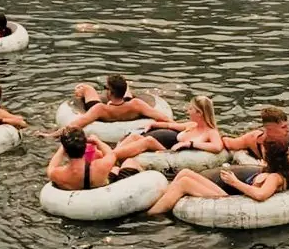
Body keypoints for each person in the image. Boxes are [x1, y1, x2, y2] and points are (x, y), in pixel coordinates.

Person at [146, 138, 289, 215]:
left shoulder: (275, 177)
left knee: (184, 183)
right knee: (185, 173)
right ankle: (160, 203)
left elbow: (261, 195)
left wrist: (234, 182)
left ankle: (151, 214)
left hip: (234, 204)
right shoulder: (273, 171)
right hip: (235, 198)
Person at [41, 74, 172, 139]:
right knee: (128, 91)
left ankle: (82, 90)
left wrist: (51, 135)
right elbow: (163, 118)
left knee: (86, 88)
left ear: (110, 92)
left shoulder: (100, 109)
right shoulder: (136, 105)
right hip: (125, 107)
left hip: (106, 112)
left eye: (106, 88)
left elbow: (74, 125)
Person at [111, 95, 225, 159]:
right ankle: (111, 154)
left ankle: (112, 157)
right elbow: (171, 125)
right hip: (169, 151)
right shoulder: (192, 125)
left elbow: (217, 147)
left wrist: (190, 144)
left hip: (173, 156)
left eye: (191, 109)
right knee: (135, 137)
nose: (188, 111)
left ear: (200, 113)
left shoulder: (210, 131)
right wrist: (154, 124)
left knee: (149, 140)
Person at [47, 126, 143, 190]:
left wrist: (62, 148)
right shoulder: (100, 165)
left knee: (115, 169)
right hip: (102, 187)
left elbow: (51, 166)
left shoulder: (58, 174)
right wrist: (97, 141)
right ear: (85, 146)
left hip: (78, 189)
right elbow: (111, 154)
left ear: (65, 151)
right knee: (129, 162)